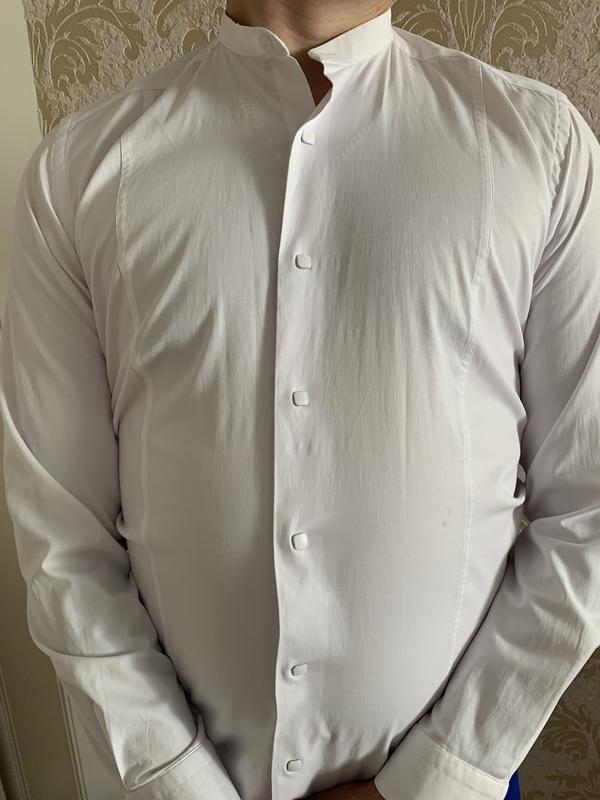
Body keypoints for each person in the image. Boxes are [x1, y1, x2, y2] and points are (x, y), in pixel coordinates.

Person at [1, 1, 599, 798]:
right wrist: (177, 781)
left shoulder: (540, 147)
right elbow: (63, 537)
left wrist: (438, 780)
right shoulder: (78, 174)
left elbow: (588, 505)